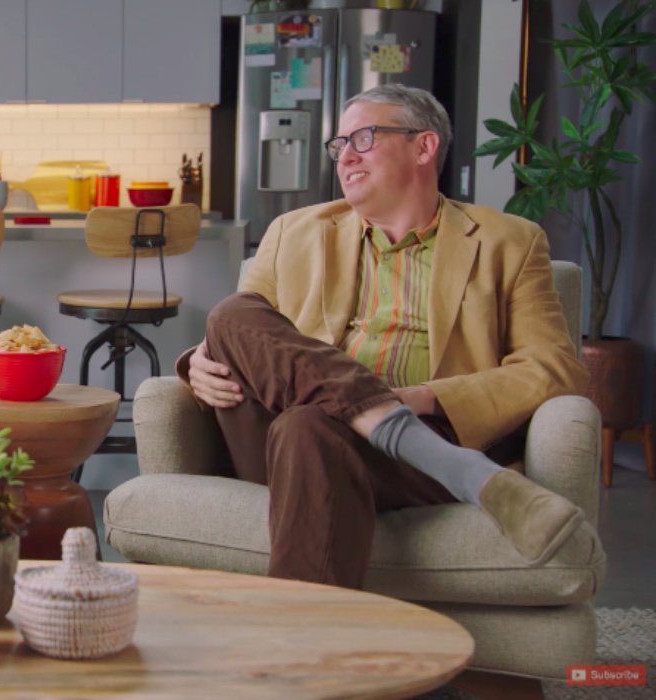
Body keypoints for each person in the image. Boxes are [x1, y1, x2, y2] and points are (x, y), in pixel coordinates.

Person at [183, 84, 589, 589]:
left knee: (307, 425)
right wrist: (197, 361)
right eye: (339, 145)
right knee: (230, 314)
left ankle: (302, 634)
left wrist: (424, 398)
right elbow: (251, 334)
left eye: (364, 138)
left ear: (424, 146)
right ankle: (462, 470)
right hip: (272, 443)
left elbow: (554, 368)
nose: (345, 157)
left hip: (397, 451)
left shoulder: (509, 242)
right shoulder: (294, 231)